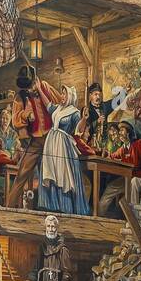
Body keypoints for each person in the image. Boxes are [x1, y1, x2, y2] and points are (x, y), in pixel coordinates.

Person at [8, 64, 60, 208]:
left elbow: (60, 103)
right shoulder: (20, 97)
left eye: (31, 85)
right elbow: (15, 118)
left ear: (36, 80)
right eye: (27, 87)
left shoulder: (45, 87)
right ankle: (9, 208)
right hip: (35, 141)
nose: (30, 89)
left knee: (53, 175)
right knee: (22, 174)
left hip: (51, 140)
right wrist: (26, 114)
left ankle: (52, 209)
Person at [37, 86, 88, 215]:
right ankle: (51, 206)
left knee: (62, 175)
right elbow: (47, 104)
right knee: (50, 171)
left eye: (65, 94)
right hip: (51, 144)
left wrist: (84, 119)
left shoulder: (74, 112)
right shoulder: (57, 109)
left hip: (63, 146)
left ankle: (65, 207)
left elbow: (79, 130)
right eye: (62, 94)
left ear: (70, 96)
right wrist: (39, 89)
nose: (62, 96)